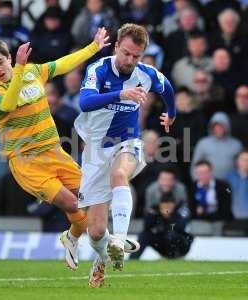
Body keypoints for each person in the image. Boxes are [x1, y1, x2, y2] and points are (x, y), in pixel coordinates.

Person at [0, 28, 110, 271]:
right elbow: (8, 104)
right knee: (73, 204)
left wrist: (93, 48)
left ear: (8, 57)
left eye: (0, 62)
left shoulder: (34, 71)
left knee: (93, 196)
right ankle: (106, 243)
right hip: (26, 161)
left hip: (54, 152)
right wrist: (17, 68)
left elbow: (63, 64)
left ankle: (71, 237)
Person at [75, 23, 176, 287]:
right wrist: (121, 93)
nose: (131, 60)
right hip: (96, 151)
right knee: (95, 231)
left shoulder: (146, 74)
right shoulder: (97, 69)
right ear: (117, 46)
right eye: (127, 53)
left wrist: (171, 113)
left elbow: (167, 89)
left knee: (120, 174)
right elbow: (84, 102)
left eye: (136, 56)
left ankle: (119, 239)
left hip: (128, 141)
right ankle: (103, 257)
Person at [129, 193, 194, 260]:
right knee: (144, 235)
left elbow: (180, 227)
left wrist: (169, 217)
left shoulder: (182, 211)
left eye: (169, 206)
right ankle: (132, 259)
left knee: (171, 234)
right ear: (160, 205)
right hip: (164, 242)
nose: (166, 208)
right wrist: (157, 216)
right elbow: (146, 226)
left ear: (174, 204)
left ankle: (175, 258)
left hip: (182, 243)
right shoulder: (154, 210)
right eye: (164, 206)